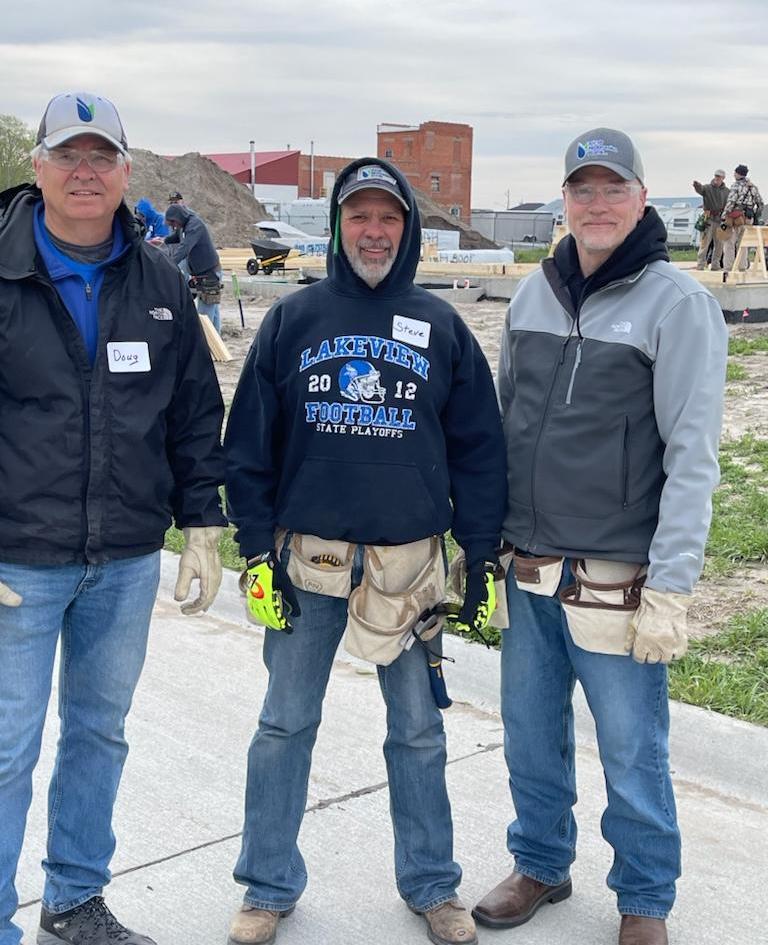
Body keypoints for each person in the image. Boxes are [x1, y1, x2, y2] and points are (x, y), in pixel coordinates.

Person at [224, 157, 507, 945]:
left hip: (407, 570)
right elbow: (247, 443)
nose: (374, 231)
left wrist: (481, 556)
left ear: (407, 227)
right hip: (307, 561)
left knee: (418, 730)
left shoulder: (442, 325)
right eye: (360, 217)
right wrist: (253, 554)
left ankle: (432, 885)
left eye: (388, 218)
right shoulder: (293, 319)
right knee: (283, 724)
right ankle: (266, 886)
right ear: (338, 227)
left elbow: (480, 451)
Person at [472, 128, 727, 945]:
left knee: (632, 751)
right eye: (582, 189)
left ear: (641, 199)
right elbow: (507, 424)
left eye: (613, 188)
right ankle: (541, 863)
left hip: (615, 580)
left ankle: (645, 898)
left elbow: (693, 455)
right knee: (530, 736)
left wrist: (674, 586)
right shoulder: (532, 295)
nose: (597, 203)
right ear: (565, 201)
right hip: (528, 566)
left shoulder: (676, 303)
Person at [0, 91, 226, 945]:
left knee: (99, 732)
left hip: (124, 562)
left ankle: (75, 898)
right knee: (5, 752)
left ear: (128, 172)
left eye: (101, 157)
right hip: (16, 561)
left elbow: (193, 417)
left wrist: (202, 523)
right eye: (68, 155)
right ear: (39, 167)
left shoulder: (160, 282)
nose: (84, 171)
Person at [162, 203, 223, 333]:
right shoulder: (184, 225)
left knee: (204, 317)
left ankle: (208, 343)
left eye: (173, 223)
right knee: (213, 311)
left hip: (210, 274)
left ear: (178, 218)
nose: (173, 227)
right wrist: (163, 241)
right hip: (201, 273)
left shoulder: (195, 226)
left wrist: (169, 264)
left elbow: (184, 248)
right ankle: (216, 342)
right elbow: (175, 238)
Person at [720, 164, 764, 272]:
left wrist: (724, 215)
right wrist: (754, 215)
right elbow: (760, 203)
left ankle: (728, 267)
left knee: (729, 242)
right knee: (743, 243)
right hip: (748, 217)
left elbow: (731, 202)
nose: (734, 174)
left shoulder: (736, 186)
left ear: (738, 174)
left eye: (735, 172)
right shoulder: (753, 187)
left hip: (736, 217)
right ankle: (742, 267)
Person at [692, 169, 728, 270]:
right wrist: (697, 185)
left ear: (723, 178)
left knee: (719, 245)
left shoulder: (727, 191)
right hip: (709, 219)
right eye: (716, 176)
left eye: (719, 176)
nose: (717, 178)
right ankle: (700, 264)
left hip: (721, 220)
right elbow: (700, 190)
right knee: (704, 244)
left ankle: (715, 265)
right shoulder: (707, 188)